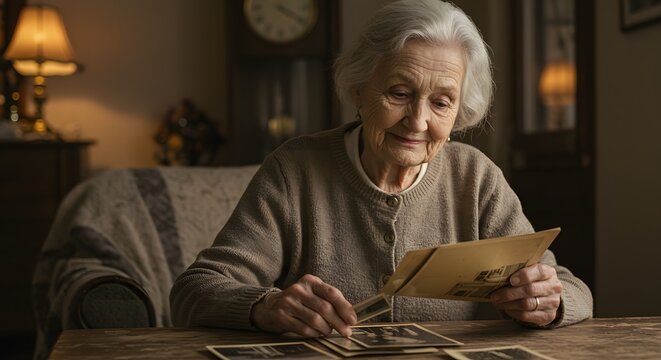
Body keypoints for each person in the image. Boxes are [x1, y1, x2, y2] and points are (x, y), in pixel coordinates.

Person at [170, 0, 593, 338]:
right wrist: (265, 307)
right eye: (399, 92)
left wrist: (547, 302)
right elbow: (195, 290)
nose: (418, 121)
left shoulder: (476, 178)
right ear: (359, 88)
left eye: (441, 102)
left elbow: (572, 290)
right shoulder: (294, 170)